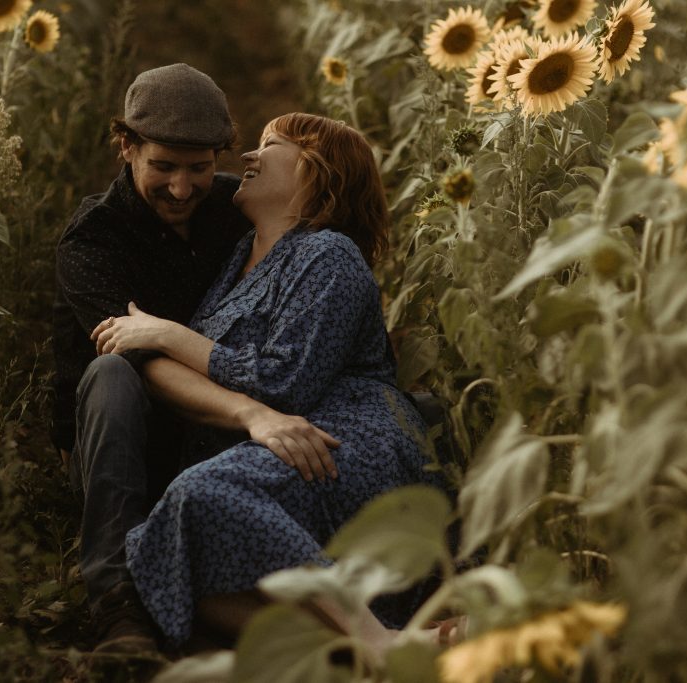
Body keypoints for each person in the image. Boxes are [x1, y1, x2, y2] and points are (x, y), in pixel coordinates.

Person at [91, 113, 447, 649]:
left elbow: (284, 383)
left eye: (269, 144)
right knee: (176, 571)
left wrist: (167, 334)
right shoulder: (241, 255)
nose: (249, 158)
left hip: (340, 439)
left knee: (201, 493)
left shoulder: (329, 253)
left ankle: (375, 639)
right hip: (276, 442)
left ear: (315, 171)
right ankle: (368, 648)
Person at [52, 66, 339, 653]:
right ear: (126, 147)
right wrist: (252, 414)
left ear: (220, 158)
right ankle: (115, 598)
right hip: (127, 437)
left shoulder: (236, 209)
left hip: (218, 435)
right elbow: (146, 366)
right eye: (163, 166)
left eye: (199, 168)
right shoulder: (94, 241)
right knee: (111, 372)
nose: (182, 189)